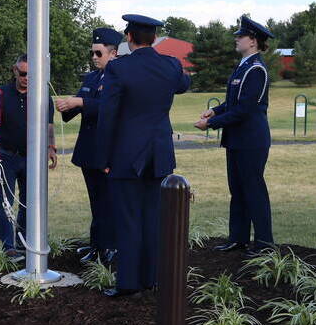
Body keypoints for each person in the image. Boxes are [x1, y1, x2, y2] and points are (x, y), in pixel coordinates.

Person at [94, 15, 191, 297]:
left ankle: (128, 284)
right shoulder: (170, 65)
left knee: (127, 219)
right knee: (153, 218)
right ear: (154, 39)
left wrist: (104, 158)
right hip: (159, 153)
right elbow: (183, 84)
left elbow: (108, 115)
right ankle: (151, 279)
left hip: (126, 154)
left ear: (129, 37)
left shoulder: (119, 69)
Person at [195, 16, 275, 257]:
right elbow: (232, 103)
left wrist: (210, 123)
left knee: (254, 190)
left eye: (240, 36)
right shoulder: (243, 66)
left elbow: (245, 110)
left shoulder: (256, 70)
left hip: (251, 140)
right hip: (238, 139)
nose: (236, 39)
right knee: (238, 190)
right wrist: (216, 110)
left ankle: (264, 244)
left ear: (253, 41)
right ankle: (238, 239)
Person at [56, 28, 122, 264]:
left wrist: (81, 102)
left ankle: (112, 247)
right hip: (89, 151)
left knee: (110, 201)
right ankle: (97, 246)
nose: (94, 57)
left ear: (113, 53)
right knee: (96, 201)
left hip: (109, 152)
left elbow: (110, 107)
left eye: (98, 53)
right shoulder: (92, 78)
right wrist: (66, 106)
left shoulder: (119, 77)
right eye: (92, 53)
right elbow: (79, 104)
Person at [0, 54, 57, 258]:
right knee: (6, 200)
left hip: (32, 157)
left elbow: (49, 124)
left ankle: (22, 240)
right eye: (22, 73)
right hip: (6, 156)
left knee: (28, 201)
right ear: (15, 71)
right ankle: (8, 246)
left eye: (31, 74)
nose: (26, 78)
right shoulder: (1, 94)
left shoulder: (42, 94)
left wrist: (51, 147)